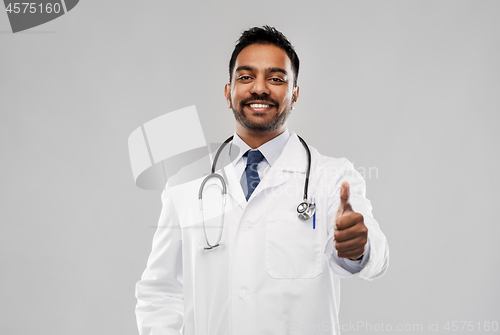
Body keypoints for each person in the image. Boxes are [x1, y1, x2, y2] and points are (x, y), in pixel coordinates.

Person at [135, 26, 389, 335]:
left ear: (294, 94)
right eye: (245, 77)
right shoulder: (185, 183)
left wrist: (359, 247)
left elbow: (375, 257)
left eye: (276, 79)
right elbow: (159, 289)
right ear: (228, 93)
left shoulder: (332, 177)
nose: (259, 88)